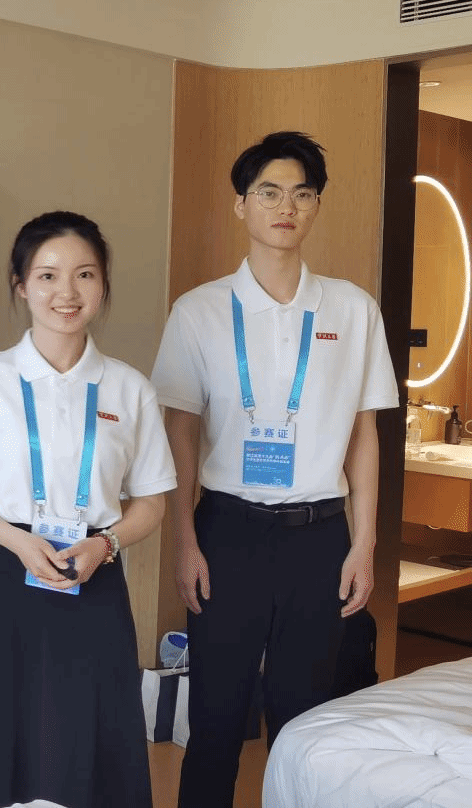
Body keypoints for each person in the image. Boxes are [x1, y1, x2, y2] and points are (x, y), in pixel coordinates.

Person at [150, 131, 398, 808]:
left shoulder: (352, 309)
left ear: (316, 206)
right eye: (268, 192)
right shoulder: (199, 311)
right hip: (227, 531)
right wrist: (184, 542)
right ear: (241, 205)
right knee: (216, 719)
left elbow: (364, 436)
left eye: (301, 194)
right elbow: (180, 434)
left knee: (303, 721)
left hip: (320, 536)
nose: (285, 207)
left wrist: (364, 544)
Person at [0, 211, 176, 808]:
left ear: (103, 285)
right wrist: (18, 542)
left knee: (88, 731)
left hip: (93, 572)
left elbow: (152, 503)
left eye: (85, 274)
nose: (67, 292)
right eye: (47, 275)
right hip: (7, 573)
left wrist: (105, 544)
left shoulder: (130, 388)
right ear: (20, 285)